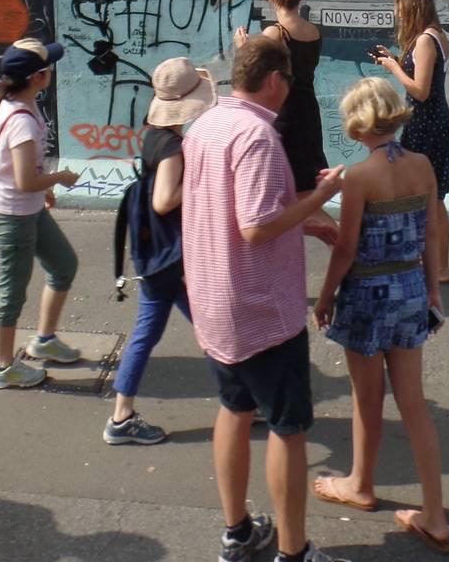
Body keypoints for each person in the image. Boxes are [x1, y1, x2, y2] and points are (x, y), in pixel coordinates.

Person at [182, 35, 349, 562]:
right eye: (289, 81)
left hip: (214, 297)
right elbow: (255, 226)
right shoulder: (257, 136)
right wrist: (321, 197)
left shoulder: (205, 124)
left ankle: (237, 533)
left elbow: (231, 209)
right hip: (261, 308)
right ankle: (293, 552)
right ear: (275, 80)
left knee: (235, 409)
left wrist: (306, 222)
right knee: (288, 428)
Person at [311, 78, 449, 555]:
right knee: (414, 404)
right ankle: (435, 515)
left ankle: (360, 484)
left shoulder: (358, 177)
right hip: (410, 288)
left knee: (366, 399)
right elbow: (430, 232)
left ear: (356, 125)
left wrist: (325, 297)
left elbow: (346, 248)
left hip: (367, 295)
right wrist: (432, 288)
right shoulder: (421, 165)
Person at [104, 56, 216, 445]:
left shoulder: (154, 134)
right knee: (211, 327)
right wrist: (204, 182)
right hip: (171, 255)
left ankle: (121, 415)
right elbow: (165, 200)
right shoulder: (171, 146)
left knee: (157, 330)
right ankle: (244, 399)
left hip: (157, 253)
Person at [0, 37, 82, 389]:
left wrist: (45, 189)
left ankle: (44, 340)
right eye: (48, 67)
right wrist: (60, 178)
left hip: (29, 208)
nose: (52, 71)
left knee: (63, 265)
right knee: (11, 295)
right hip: (12, 216)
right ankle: (4, 368)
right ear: (38, 77)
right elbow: (25, 181)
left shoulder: (21, 103)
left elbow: (23, 171)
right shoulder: (21, 120)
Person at [234, 0, 337, 246]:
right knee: (304, 193)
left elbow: (254, 71)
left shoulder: (274, 33)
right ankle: (343, 247)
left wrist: (243, 48)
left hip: (284, 115)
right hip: (308, 112)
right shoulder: (313, 31)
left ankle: (344, 245)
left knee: (280, 193)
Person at [371, 0, 449, 282]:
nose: (397, 12)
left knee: (431, 196)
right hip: (427, 122)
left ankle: (440, 267)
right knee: (426, 195)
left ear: (412, 6)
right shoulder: (434, 36)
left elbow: (420, 90)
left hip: (427, 124)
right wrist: (395, 61)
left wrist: (395, 69)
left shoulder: (425, 40)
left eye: (399, 5)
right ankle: (430, 261)